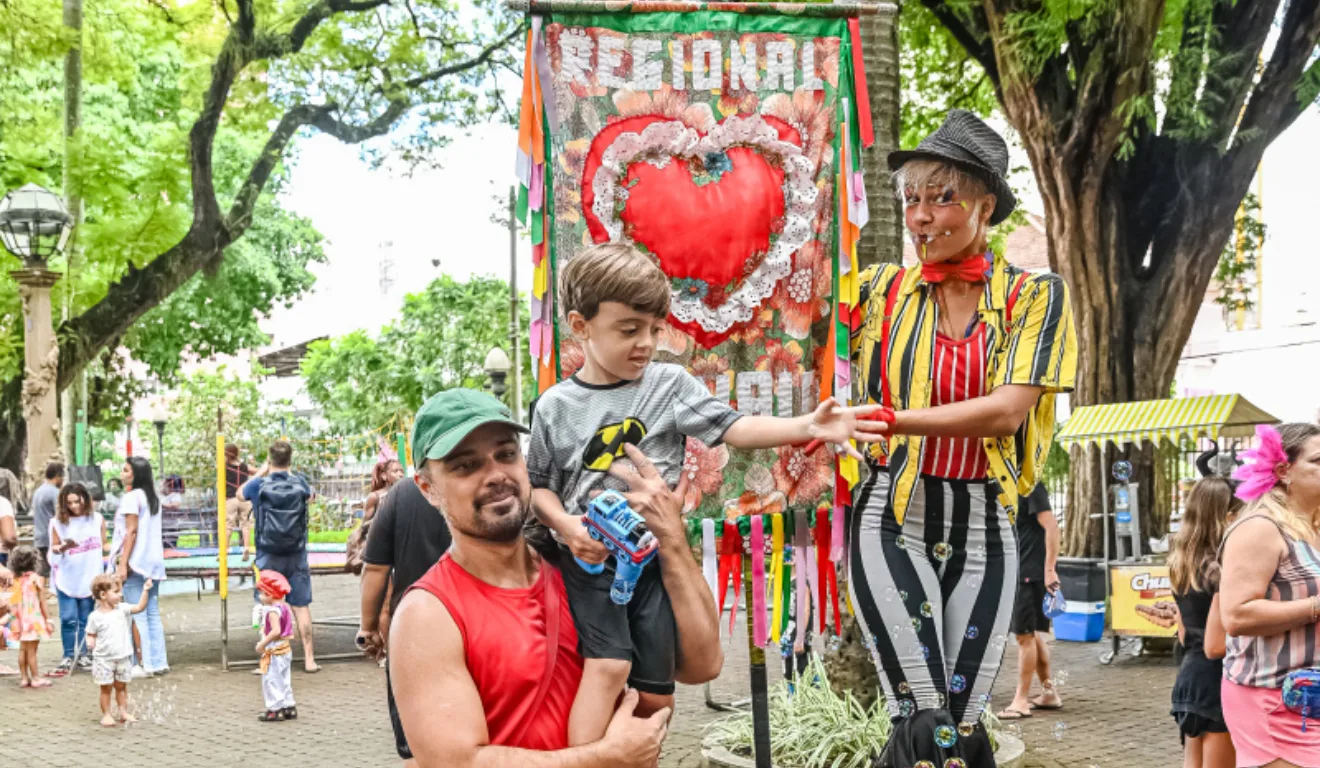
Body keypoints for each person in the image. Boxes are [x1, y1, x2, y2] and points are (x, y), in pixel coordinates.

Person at [529, 242, 881, 745]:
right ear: (580, 326)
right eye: (629, 329)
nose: (647, 343)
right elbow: (539, 489)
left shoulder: (669, 384)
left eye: (655, 329)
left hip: (652, 561)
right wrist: (567, 527)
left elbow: (735, 427)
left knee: (656, 693)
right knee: (606, 667)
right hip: (589, 566)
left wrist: (810, 425)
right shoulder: (555, 407)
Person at [847, 109, 1077, 767]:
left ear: (985, 206)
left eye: (941, 197)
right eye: (912, 198)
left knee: (964, 729)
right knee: (927, 718)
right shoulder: (875, 291)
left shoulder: (1036, 296)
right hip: (893, 516)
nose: (920, 215)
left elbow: (1007, 413)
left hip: (985, 524)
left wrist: (889, 418)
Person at [390, 388, 724, 767]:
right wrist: (605, 757)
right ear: (427, 487)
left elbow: (702, 665)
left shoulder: (587, 566)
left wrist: (671, 538)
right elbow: (457, 762)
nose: (496, 475)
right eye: (465, 466)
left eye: (506, 454)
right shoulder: (427, 615)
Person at [1219, 422, 1320, 768]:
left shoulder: (1312, 527)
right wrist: (1315, 607)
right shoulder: (1260, 528)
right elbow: (1236, 616)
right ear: (1283, 470)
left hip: (1311, 697)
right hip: (1274, 700)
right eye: (1319, 460)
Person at [358, 470, 452, 760]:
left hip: (412, 632)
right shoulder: (493, 484)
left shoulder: (401, 494)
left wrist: (368, 627)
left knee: (414, 746)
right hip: (475, 627)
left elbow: (375, 568)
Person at [1169, 476, 1237, 768]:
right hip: (1216, 679)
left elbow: (1184, 634)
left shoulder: (1182, 563)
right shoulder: (1221, 570)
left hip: (1189, 677)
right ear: (1228, 516)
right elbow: (1215, 645)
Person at [241, 440, 318, 673]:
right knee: (301, 605)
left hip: (268, 553)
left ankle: (267, 658)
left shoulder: (258, 485)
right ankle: (309, 660)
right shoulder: (300, 483)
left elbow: (239, 493)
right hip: (296, 552)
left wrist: (264, 469)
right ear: (290, 459)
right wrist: (291, 473)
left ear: (269, 458)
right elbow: (311, 498)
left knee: (267, 605)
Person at [999, 483, 1063, 720]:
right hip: (1020, 570)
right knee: (1033, 635)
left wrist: (1050, 570)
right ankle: (1049, 693)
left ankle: (1021, 700)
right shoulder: (1004, 485)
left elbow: (1052, 526)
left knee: (1024, 636)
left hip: (1030, 572)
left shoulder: (1029, 485)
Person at [109, 457, 169, 677]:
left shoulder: (132, 498)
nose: (122, 473)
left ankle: (145, 664)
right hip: (152, 561)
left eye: (126, 470)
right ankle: (159, 661)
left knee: (138, 613)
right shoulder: (152, 498)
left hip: (136, 561)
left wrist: (123, 563)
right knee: (152, 611)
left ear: (135, 474)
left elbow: (130, 532)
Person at [46, 482, 105, 677]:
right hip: (67, 577)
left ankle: (84, 654)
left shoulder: (96, 520)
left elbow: (103, 546)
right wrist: (62, 548)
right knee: (68, 618)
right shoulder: (57, 523)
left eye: (77, 502)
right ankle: (68, 654)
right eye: (69, 503)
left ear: (85, 500)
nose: (74, 507)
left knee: (86, 619)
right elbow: (52, 552)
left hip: (89, 577)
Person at [85, 573, 152, 725]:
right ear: (103, 595)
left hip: (123, 656)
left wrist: (145, 590)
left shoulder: (122, 609)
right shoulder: (95, 617)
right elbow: (90, 633)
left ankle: (123, 712)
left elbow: (140, 607)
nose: (120, 594)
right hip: (104, 658)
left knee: (121, 687)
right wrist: (90, 641)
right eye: (116, 592)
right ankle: (107, 714)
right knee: (106, 688)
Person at [6, 545, 53, 688]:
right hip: (33, 620)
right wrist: (48, 619)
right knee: (32, 651)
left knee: (23, 649)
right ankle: (36, 678)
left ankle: (24, 677)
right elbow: (42, 601)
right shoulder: (37, 579)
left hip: (18, 621)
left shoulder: (14, 580)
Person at [255, 569, 298, 722]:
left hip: (274, 649)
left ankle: (275, 709)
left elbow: (275, 631)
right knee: (285, 678)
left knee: (271, 680)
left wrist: (262, 644)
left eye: (262, 593)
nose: (260, 596)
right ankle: (289, 706)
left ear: (270, 594)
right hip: (285, 648)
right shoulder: (284, 607)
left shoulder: (273, 611)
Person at [225, 444, 260, 561]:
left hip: (231, 498)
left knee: (228, 525)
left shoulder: (224, 466)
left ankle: (224, 551)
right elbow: (257, 472)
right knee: (246, 524)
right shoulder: (244, 467)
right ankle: (246, 548)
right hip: (244, 498)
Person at [31, 461, 64, 572]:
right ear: (58, 476)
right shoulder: (55, 493)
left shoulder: (38, 491)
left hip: (39, 538)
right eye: (63, 477)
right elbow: (60, 516)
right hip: (51, 539)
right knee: (54, 572)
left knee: (42, 573)